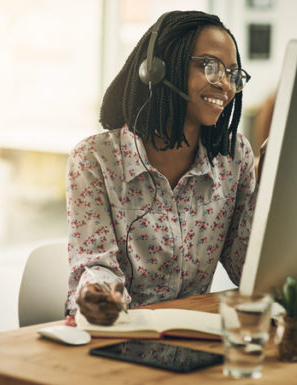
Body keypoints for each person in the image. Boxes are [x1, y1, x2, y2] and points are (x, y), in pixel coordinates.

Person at [65, 10, 258, 326]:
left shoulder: (233, 157)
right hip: (117, 337)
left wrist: (276, 195)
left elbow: (245, 269)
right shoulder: (95, 158)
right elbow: (95, 263)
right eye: (210, 66)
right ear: (156, 69)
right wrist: (100, 292)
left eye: (234, 74)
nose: (225, 84)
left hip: (194, 338)